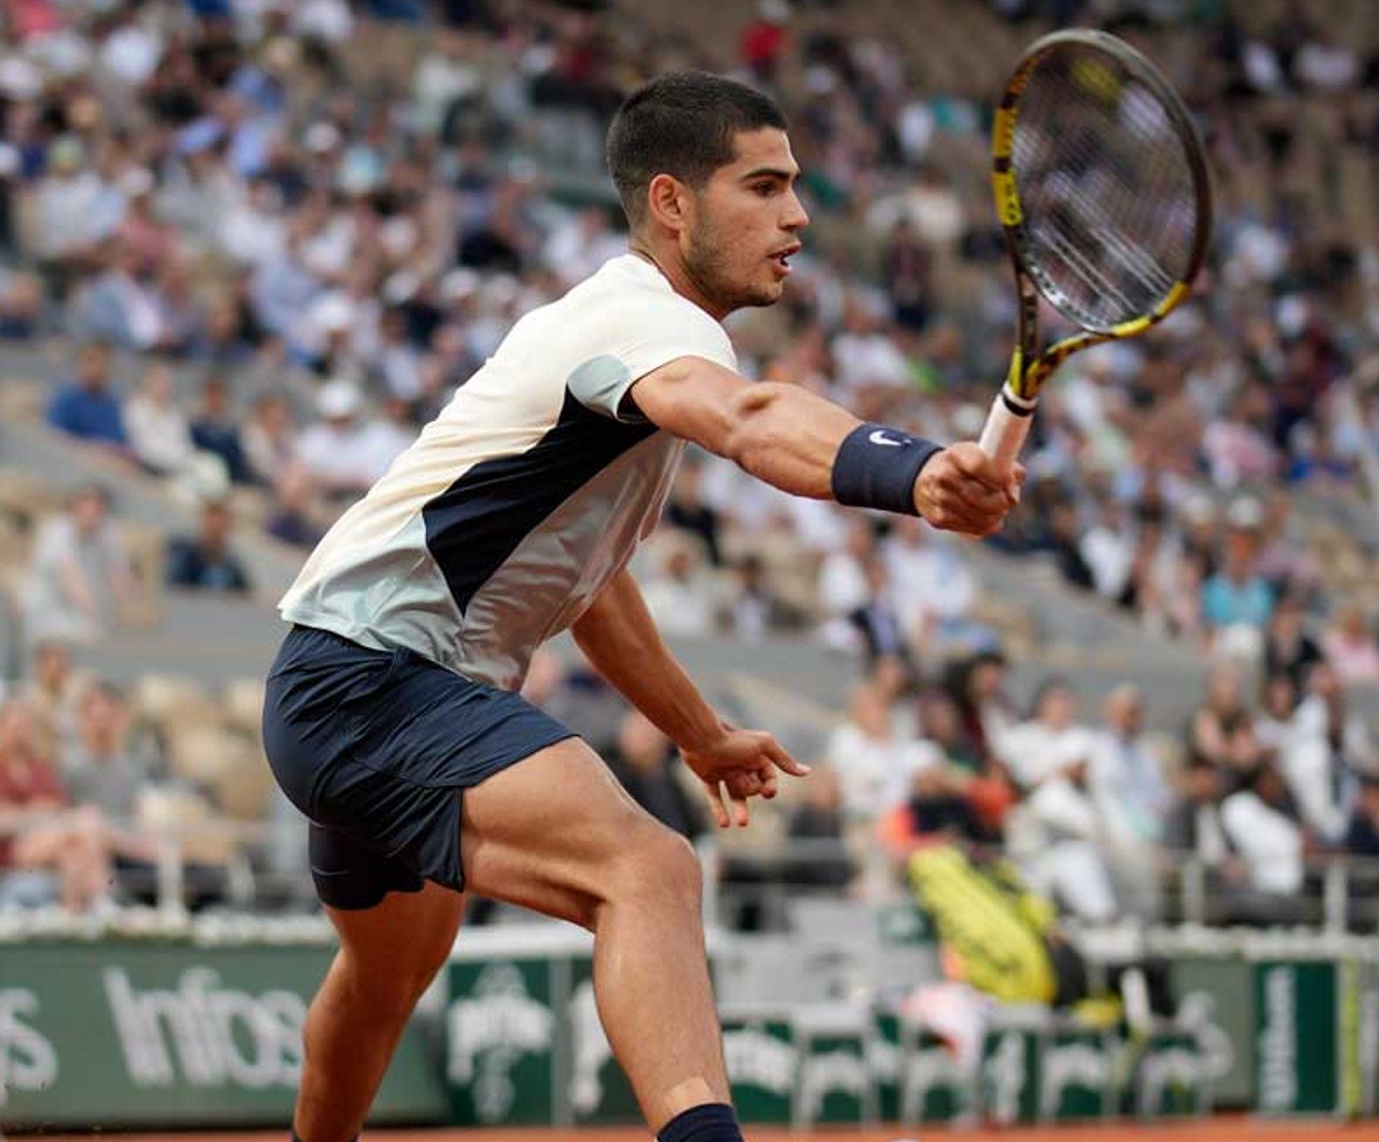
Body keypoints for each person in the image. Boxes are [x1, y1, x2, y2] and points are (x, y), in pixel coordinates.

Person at [260, 72, 1022, 1142]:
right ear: (672, 204)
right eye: (763, 186)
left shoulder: (614, 345)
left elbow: (589, 590)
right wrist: (913, 471)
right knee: (647, 869)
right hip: (376, 680)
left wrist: (699, 734)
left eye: (796, 186)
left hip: (335, 688)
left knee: (385, 979)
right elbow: (753, 420)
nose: (797, 215)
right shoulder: (642, 321)